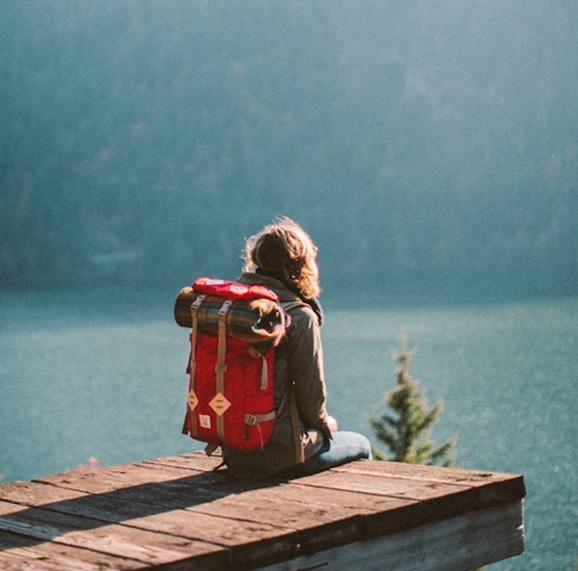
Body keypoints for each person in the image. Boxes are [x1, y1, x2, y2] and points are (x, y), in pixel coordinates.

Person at [222, 217, 371, 479]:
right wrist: (326, 423)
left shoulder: (237, 308)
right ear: (299, 267)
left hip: (234, 450)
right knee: (361, 445)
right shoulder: (299, 317)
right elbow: (311, 400)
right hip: (281, 453)